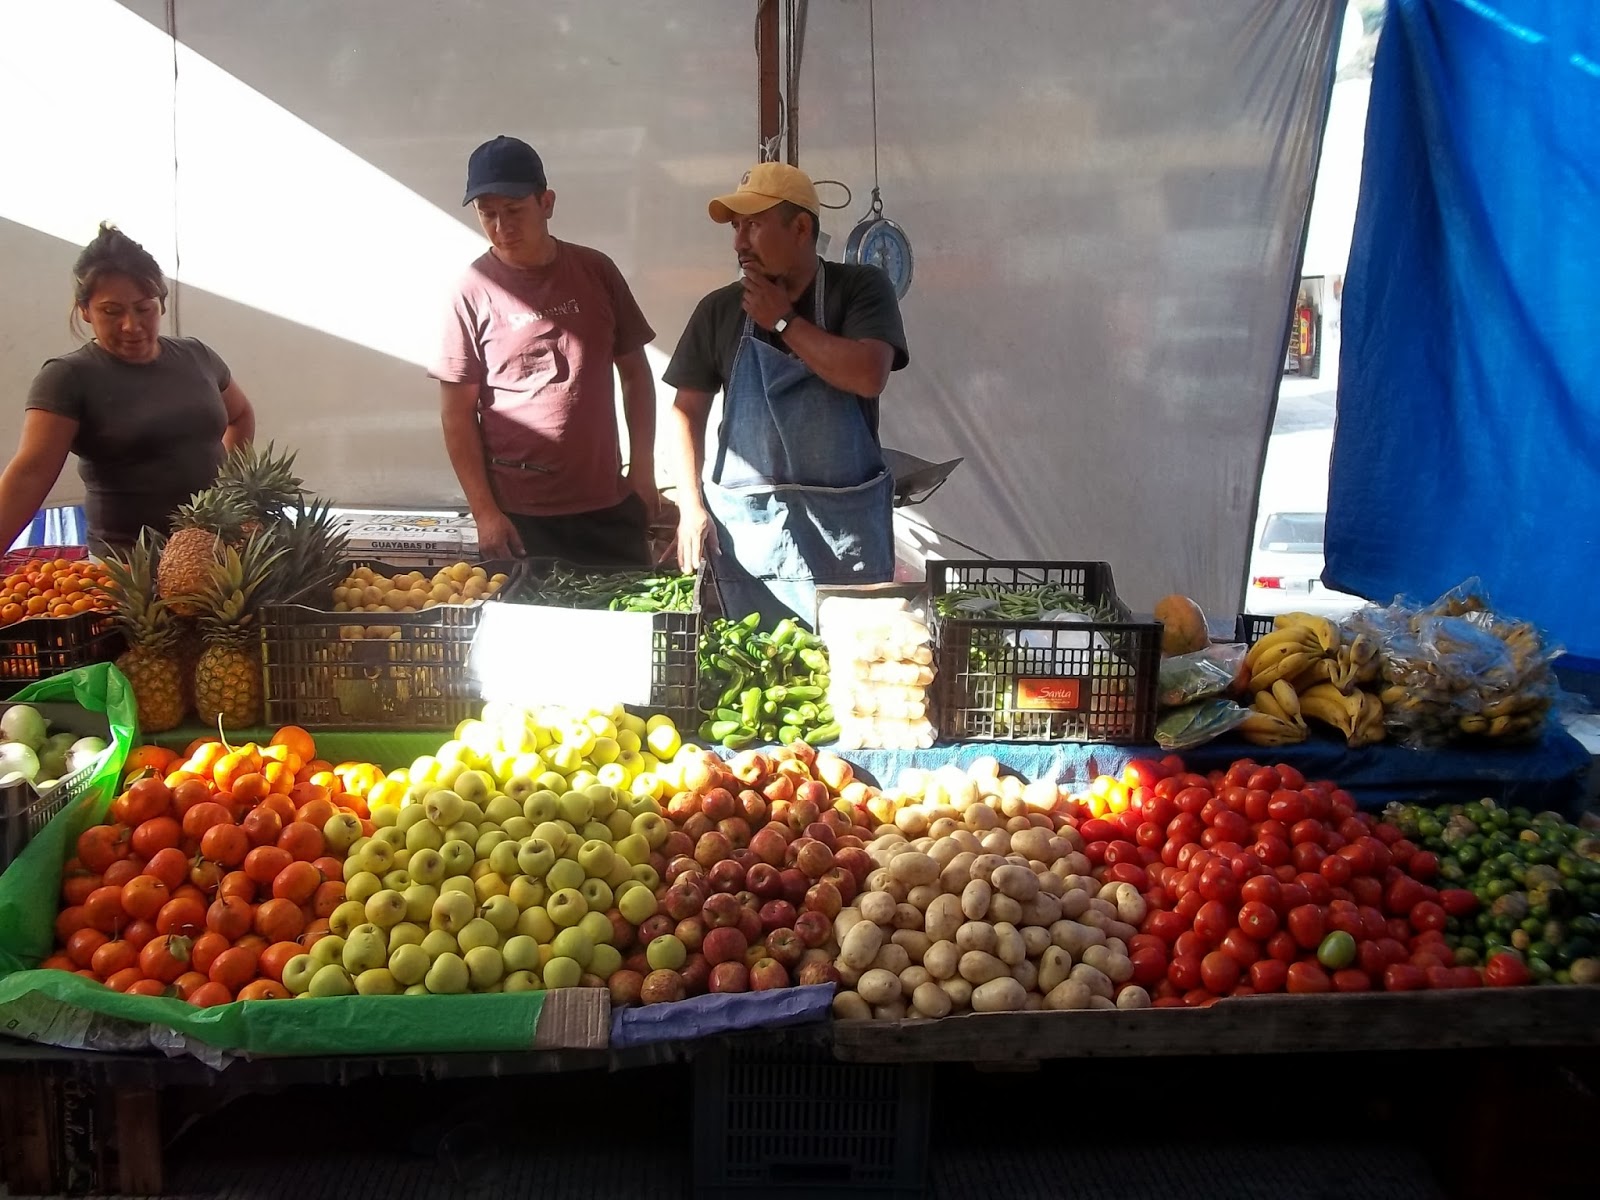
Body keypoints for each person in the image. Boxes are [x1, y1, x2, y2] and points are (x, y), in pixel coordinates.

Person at [664, 163, 909, 625]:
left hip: (844, 535)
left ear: (800, 228)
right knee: (760, 667)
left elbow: (867, 374)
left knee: (853, 674)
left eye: (753, 225)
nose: (739, 243)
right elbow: (685, 412)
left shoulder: (859, 289)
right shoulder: (718, 310)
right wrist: (690, 504)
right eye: (736, 227)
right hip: (751, 539)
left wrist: (782, 321)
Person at [433, 135, 658, 565]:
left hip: (607, 503)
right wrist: (485, 512)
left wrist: (643, 470)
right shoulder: (470, 291)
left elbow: (635, 373)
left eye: (514, 211)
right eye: (488, 214)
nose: (502, 227)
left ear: (547, 202)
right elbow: (456, 414)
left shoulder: (596, 270)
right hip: (521, 515)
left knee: (624, 625)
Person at [0, 223, 256, 556]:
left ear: (161, 304)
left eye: (144, 308)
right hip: (124, 571)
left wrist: (229, 490)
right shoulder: (67, 377)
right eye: (111, 311)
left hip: (211, 558)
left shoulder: (197, 355)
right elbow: (28, 477)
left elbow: (240, 414)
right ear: (85, 311)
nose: (131, 326)